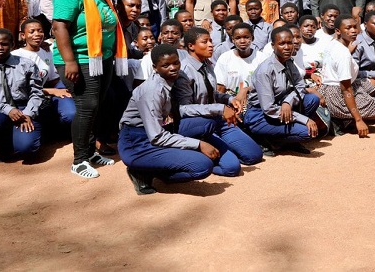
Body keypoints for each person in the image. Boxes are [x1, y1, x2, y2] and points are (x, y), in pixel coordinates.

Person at [118, 45, 239, 195]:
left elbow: (183, 109)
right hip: (138, 142)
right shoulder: (152, 91)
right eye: (166, 65)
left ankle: (173, 158)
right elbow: (156, 137)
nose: (173, 68)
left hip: (162, 130)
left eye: (176, 63)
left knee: (208, 122)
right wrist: (198, 144)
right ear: (155, 67)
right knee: (202, 166)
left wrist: (219, 107)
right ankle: (145, 171)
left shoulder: (176, 78)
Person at [53, 0, 129, 178]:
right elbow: (59, 27)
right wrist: (70, 62)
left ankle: (90, 151)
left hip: (101, 57)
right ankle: (79, 160)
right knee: (87, 108)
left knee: (96, 106)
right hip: (80, 59)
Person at [179, 27, 263, 169]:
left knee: (254, 155)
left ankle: (224, 149)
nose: (211, 45)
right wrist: (220, 108)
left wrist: (229, 100)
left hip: (216, 118)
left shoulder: (208, 64)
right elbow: (183, 108)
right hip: (199, 124)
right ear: (191, 46)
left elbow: (212, 94)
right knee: (231, 168)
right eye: (205, 42)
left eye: (211, 41)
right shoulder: (184, 71)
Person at [245, 26, 323, 152]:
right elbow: (269, 108)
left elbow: (300, 85)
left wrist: (288, 101)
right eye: (281, 44)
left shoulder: (288, 62)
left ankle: (286, 138)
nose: (287, 47)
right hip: (260, 115)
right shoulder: (265, 70)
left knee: (312, 99)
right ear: (273, 46)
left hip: (281, 106)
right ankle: (270, 139)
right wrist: (304, 119)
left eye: (289, 43)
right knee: (306, 133)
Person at [0, 29, 44, 162]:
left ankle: (32, 135)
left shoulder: (26, 64)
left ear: (12, 45)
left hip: (25, 108)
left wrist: (28, 113)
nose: (0, 48)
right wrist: (9, 110)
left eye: (4, 44)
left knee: (27, 149)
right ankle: (4, 148)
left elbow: (37, 92)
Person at [319, 15, 375, 137]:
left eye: (355, 27)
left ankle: (345, 117)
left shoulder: (334, 44)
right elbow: (345, 89)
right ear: (338, 31)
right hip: (337, 94)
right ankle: (343, 120)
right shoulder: (343, 54)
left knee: (373, 83)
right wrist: (359, 120)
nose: (353, 30)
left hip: (333, 87)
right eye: (348, 28)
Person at [13, 19, 75, 131]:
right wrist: (52, 91)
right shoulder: (15, 56)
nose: (37, 34)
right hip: (24, 101)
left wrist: (64, 90)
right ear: (23, 35)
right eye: (32, 32)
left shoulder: (46, 51)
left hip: (43, 95)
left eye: (39, 31)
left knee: (70, 113)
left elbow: (53, 79)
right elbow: (21, 89)